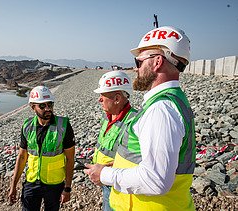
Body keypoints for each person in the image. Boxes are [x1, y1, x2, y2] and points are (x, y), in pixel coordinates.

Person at [84, 26, 196, 210]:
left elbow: (156, 180)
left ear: (157, 62)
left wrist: (105, 174)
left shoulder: (161, 109)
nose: (136, 69)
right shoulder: (172, 102)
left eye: (139, 61)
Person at [8, 85, 75, 211]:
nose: (48, 109)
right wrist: (13, 186)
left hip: (54, 185)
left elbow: (70, 159)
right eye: (42, 106)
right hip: (32, 182)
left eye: (50, 104)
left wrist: (67, 188)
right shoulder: (27, 126)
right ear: (33, 107)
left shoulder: (64, 126)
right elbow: (22, 157)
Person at [92, 71, 137, 211]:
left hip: (118, 187)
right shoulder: (107, 117)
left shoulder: (134, 123)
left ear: (117, 99)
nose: (99, 100)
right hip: (105, 181)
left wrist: (105, 172)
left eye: (102, 96)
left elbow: (135, 163)